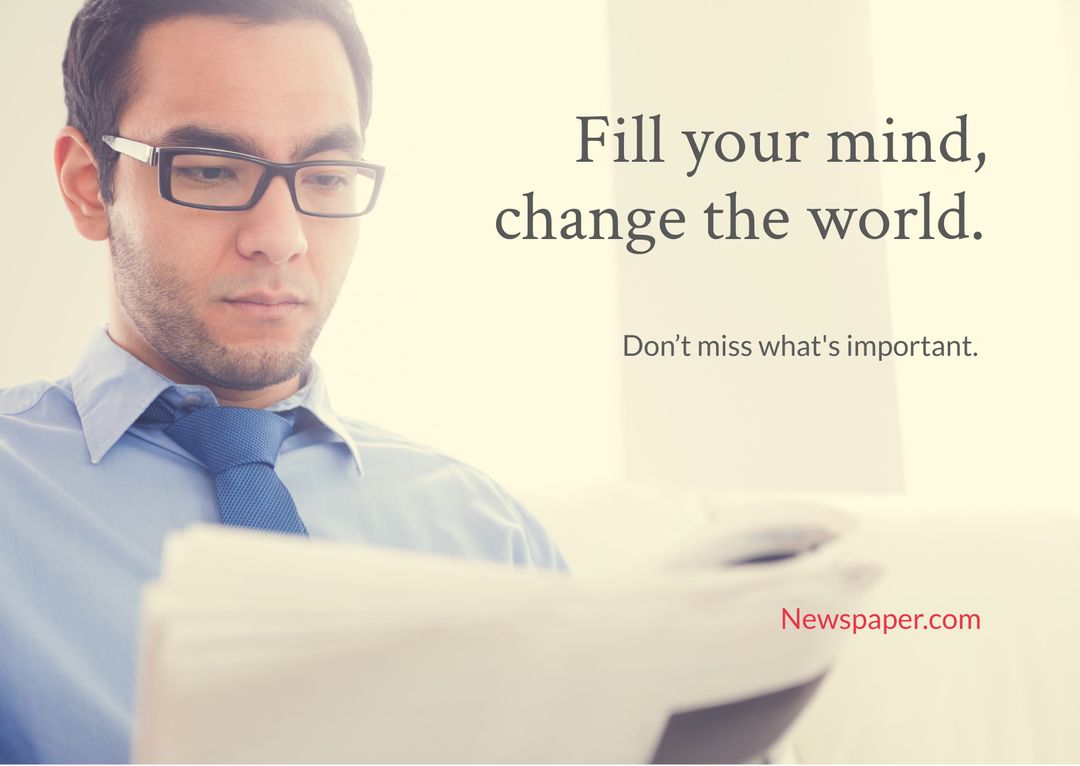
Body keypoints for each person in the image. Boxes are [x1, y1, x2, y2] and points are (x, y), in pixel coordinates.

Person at [0, 1, 568, 762]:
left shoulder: (487, 535)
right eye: (207, 169)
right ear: (84, 185)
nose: (281, 238)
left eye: (326, 176)